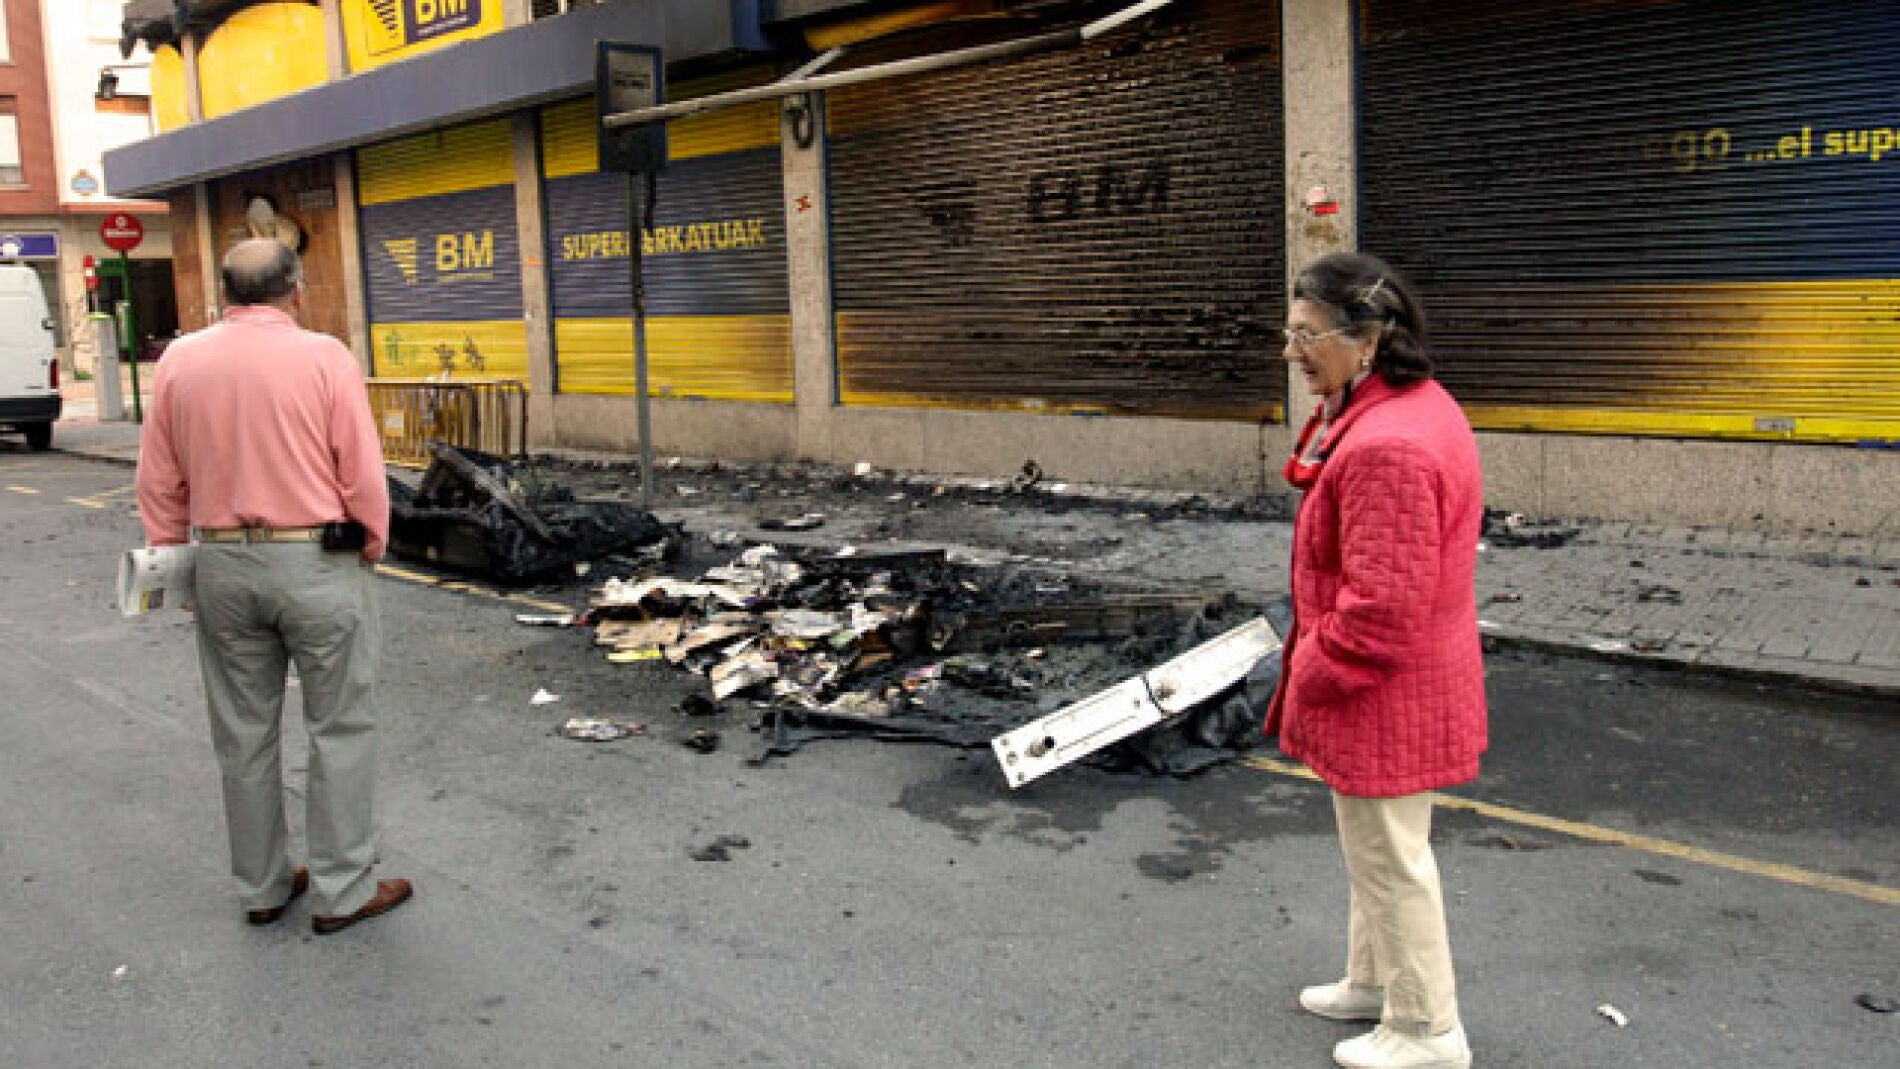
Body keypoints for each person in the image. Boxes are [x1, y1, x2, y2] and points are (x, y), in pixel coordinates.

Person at [137, 238, 413, 935]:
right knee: (341, 726)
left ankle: (261, 884)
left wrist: (174, 559)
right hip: (315, 559)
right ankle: (342, 888)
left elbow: (160, 479)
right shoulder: (324, 356)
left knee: (242, 731)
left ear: (224, 293)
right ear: (297, 287)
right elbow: (360, 471)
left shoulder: (180, 360)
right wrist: (370, 544)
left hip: (223, 561)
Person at [1266, 252, 1486, 1069]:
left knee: (1392, 859)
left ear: (1367, 341)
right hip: (1403, 679)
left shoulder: (1388, 445)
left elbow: (1380, 612)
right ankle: (1374, 982)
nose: (1292, 354)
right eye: (1287, 334)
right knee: (1377, 847)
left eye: (1306, 336)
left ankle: (1427, 1027)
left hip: (1382, 686)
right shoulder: (1403, 407)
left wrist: (1311, 670)